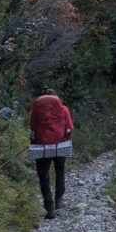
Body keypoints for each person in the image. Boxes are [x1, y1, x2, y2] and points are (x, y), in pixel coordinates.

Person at [29, 89, 73, 220]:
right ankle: (59, 199)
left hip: (42, 146)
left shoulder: (37, 109)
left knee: (43, 176)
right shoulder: (63, 109)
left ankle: (50, 208)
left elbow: (32, 127)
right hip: (60, 145)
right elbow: (70, 127)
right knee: (60, 171)